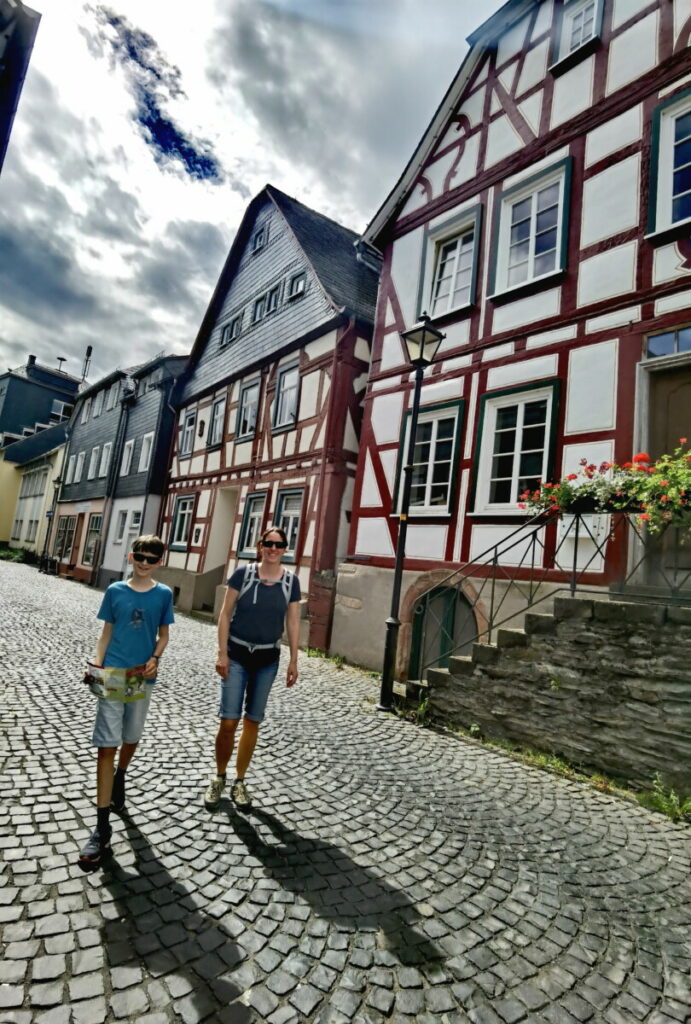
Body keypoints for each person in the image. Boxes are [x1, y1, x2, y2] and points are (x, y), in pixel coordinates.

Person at [77, 534, 174, 870]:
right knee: (106, 745)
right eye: (140, 557)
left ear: (160, 561)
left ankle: (121, 774)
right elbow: (106, 632)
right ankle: (101, 827)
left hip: (140, 677)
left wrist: (156, 657)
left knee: (130, 737)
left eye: (151, 558)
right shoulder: (115, 590)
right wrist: (96, 664)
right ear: (131, 557)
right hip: (114, 674)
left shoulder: (163, 595)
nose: (144, 563)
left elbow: (164, 635)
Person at [204, 526, 300, 811]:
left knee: (252, 721)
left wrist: (294, 659)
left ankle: (240, 781)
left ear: (285, 549)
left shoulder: (290, 582)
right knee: (229, 721)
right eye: (268, 543)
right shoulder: (242, 574)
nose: (273, 549)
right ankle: (219, 776)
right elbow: (225, 614)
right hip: (236, 655)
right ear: (260, 546)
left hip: (268, 659)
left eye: (279, 544)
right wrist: (222, 653)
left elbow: (292, 621)